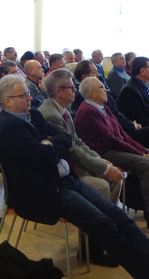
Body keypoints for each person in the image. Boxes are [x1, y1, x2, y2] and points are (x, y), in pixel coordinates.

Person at [0, 75, 149, 279]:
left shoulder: (34, 115)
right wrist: (51, 145)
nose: (30, 97)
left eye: (28, 94)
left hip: (65, 181)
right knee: (106, 226)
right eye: (24, 95)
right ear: (8, 101)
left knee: (119, 217)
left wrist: (51, 144)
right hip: (43, 194)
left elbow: (65, 138)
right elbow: (45, 155)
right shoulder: (8, 128)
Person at [73, 77, 149, 235]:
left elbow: (122, 134)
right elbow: (110, 140)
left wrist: (141, 150)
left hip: (114, 147)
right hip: (103, 152)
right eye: (102, 87)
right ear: (92, 93)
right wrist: (139, 154)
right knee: (147, 164)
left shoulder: (103, 107)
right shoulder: (88, 111)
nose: (106, 90)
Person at [39, 69, 124, 207]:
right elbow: (70, 149)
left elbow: (77, 140)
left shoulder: (62, 108)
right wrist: (104, 168)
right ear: (58, 91)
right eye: (71, 87)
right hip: (62, 172)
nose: (75, 90)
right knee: (102, 184)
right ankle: (97, 219)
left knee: (114, 179)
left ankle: (110, 216)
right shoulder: (50, 114)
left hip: (73, 164)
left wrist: (97, 158)